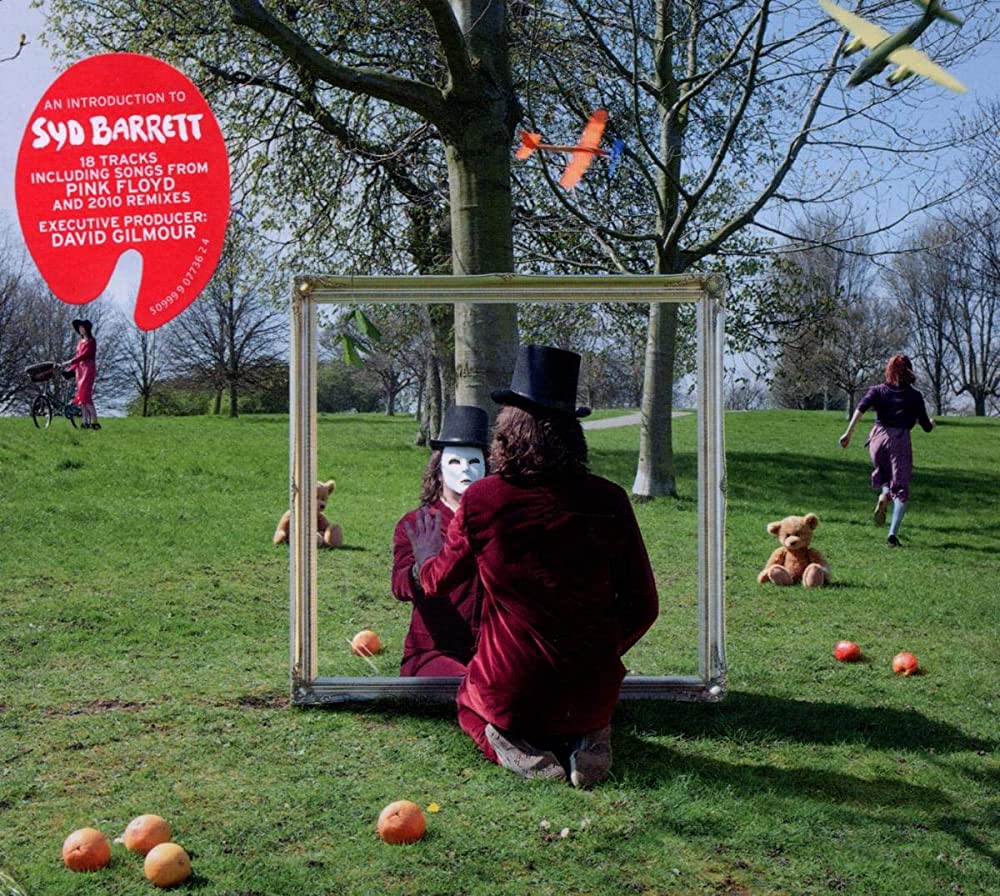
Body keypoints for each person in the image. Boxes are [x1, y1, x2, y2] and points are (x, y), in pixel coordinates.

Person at [407, 345, 659, 788]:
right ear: (572, 433)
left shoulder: (483, 500)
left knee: (468, 702)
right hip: (591, 690)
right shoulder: (611, 500)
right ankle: (590, 743)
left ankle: (517, 747)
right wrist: (596, 651)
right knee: (581, 708)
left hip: (513, 689)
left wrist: (425, 554)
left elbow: (438, 579)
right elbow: (644, 605)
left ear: (508, 430)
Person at [391, 406, 489, 677]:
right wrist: (420, 566)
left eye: (475, 461)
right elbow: (399, 585)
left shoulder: (499, 522)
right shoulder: (416, 523)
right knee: (471, 687)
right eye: (455, 462)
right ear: (438, 471)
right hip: (432, 653)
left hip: (490, 652)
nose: (466, 470)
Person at [839, 354, 936, 547]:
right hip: (899, 441)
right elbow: (925, 426)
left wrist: (848, 433)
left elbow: (860, 408)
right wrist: (932, 424)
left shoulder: (878, 390)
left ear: (889, 370)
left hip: (877, 439)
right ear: (909, 371)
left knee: (884, 475)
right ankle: (892, 535)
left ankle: (884, 496)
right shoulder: (914, 396)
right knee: (901, 489)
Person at [63, 318, 100, 430]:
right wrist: (70, 369)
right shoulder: (80, 342)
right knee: (81, 398)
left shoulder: (91, 341)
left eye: (82, 327)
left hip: (88, 368)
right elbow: (78, 358)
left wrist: (70, 361)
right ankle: (85, 422)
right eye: (79, 328)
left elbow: (83, 355)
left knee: (86, 396)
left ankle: (95, 421)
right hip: (80, 370)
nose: (80, 329)